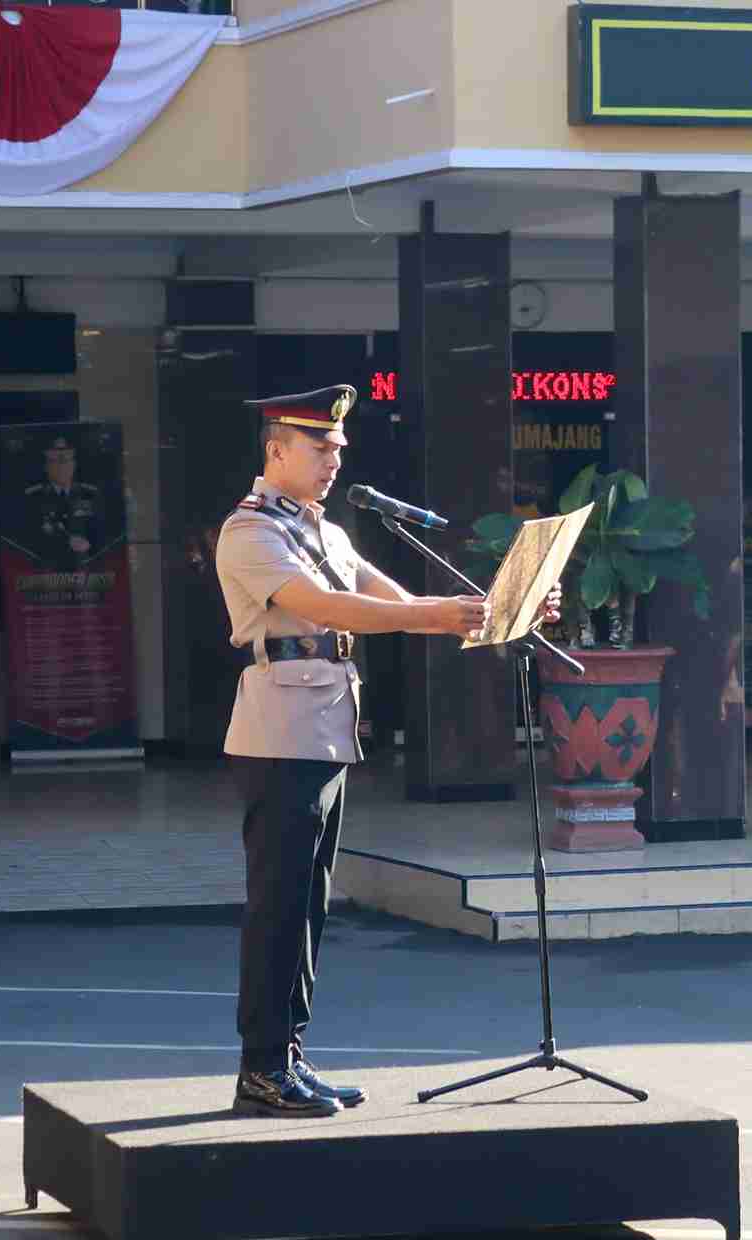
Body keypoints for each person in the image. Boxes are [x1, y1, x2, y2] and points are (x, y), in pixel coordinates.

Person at [218, 386, 553, 1116]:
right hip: (280, 731)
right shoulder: (250, 532)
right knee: (277, 902)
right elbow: (332, 609)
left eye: (339, 450)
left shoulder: (324, 531)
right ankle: (261, 1065)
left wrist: (497, 611)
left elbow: (391, 598)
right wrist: (434, 613)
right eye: (321, 448)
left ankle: (290, 1056)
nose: (334, 461)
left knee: (308, 901)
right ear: (277, 450)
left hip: (323, 724)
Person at [17, 437, 121, 570]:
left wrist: (91, 545)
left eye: (66, 461)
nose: (61, 467)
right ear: (46, 466)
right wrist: (65, 542)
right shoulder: (33, 497)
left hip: (85, 570)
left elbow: (104, 530)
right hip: (45, 573)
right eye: (54, 461)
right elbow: (26, 536)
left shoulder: (90, 494)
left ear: (74, 464)